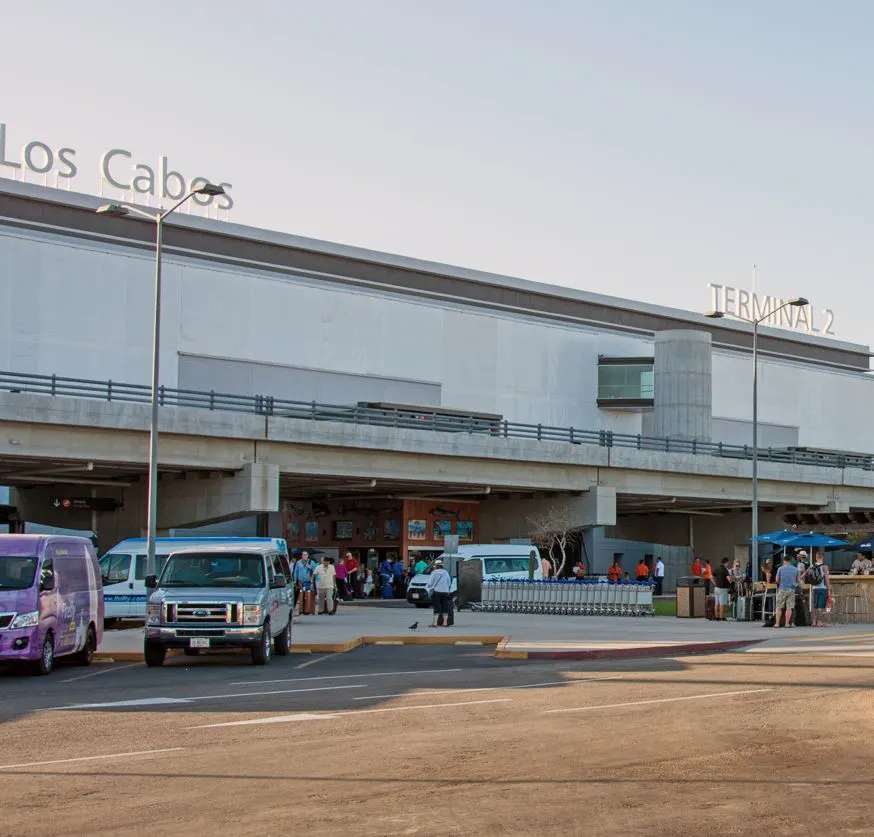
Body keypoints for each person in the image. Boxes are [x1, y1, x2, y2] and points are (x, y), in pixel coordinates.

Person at [774, 554, 800, 628]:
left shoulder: (780, 569)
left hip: (782, 589)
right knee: (789, 608)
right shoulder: (796, 569)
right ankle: (787, 624)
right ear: (790, 561)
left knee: (779, 607)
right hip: (791, 589)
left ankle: (777, 624)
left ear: (784, 561)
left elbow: (777, 580)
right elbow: (798, 580)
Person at [805, 552, 831, 627]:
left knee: (814, 606)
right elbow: (826, 578)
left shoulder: (812, 565)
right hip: (822, 588)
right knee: (820, 606)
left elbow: (805, 574)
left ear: (816, 558)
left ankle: (813, 622)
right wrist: (829, 588)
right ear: (822, 558)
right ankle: (819, 622)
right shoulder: (825, 566)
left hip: (814, 588)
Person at [426, 558, 452, 628]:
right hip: (445, 592)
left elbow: (430, 583)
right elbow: (449, 582)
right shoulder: (446, 572)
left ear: (435, 566)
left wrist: (429, 586)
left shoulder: (434, 573)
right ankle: (445, 623)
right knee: (445, 607)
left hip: (437, 592)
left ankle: (435, 623)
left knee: (437, 607)